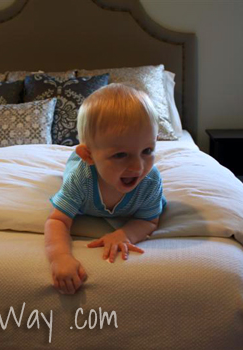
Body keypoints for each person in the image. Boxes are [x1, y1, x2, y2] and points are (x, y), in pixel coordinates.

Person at [44, 83, 166, 295]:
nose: (138, 167)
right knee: (72, 172)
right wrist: (60, 257)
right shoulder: (81, 179)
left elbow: (148, 220)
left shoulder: (150, 182)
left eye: (147, 150)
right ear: (89, 156)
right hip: (82, 168)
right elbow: (57, 221)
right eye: (120, 155)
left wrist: (124, 234)